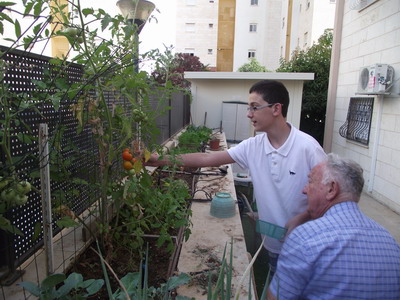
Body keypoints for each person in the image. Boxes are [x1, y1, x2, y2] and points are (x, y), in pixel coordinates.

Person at [147, 79, 326, 271]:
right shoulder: (253, 146)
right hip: (273, 246)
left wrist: (304, 216)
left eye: (254, 107)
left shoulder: (308, 148)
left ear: (276, 109)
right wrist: (160, 160)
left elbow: (331, 196)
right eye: (248, 108)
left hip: (306, 247)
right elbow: (206, 159)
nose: (249, 114)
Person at [267, 153, 400, 300]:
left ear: (331, 189)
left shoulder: (305, 238)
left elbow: (276, 297)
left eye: (310, 181)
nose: (304, 190)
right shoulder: (390, 242)